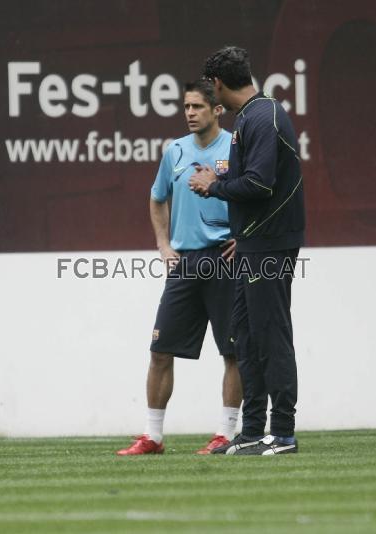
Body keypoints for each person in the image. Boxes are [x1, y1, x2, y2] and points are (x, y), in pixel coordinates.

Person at [189, 47, 305, 456]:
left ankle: (284, 433)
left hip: (270, 245)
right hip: (251, 242)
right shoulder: (250, 118)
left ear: (218, 85)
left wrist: (214, 185)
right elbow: (249, 178)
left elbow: (258, 184)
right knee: (246, 337)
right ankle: (253, 430)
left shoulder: (263, 115)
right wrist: (222, 182)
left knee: (271, 335)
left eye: (208, 88)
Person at [116, 79, 242, 456]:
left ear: (217, 110)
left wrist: (246, 237)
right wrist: (162, 244)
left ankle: (226, 434)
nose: (189, 113)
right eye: (186, 107)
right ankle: (153, 437)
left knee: (234, 352)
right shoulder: (174, 151)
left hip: (225, 260)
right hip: (186, 263)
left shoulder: (237, 147)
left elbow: (258, 192)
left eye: (197, 107)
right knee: (159, 350)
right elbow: (157, 199)